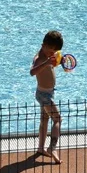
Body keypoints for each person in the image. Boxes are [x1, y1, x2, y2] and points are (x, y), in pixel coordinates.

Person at [30, 30, 65, 163]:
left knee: (44, 120)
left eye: (54, 52)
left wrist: (60, 62)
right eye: (51, 51)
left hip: (47, 93)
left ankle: (41, 148)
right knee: (57, 119)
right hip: (44, 95)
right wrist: (46, 63)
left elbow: (52, 64)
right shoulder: (39, 58)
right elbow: (32, 72)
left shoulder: (48, 55)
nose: (52, 54)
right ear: (43, 45)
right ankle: (52, 148)